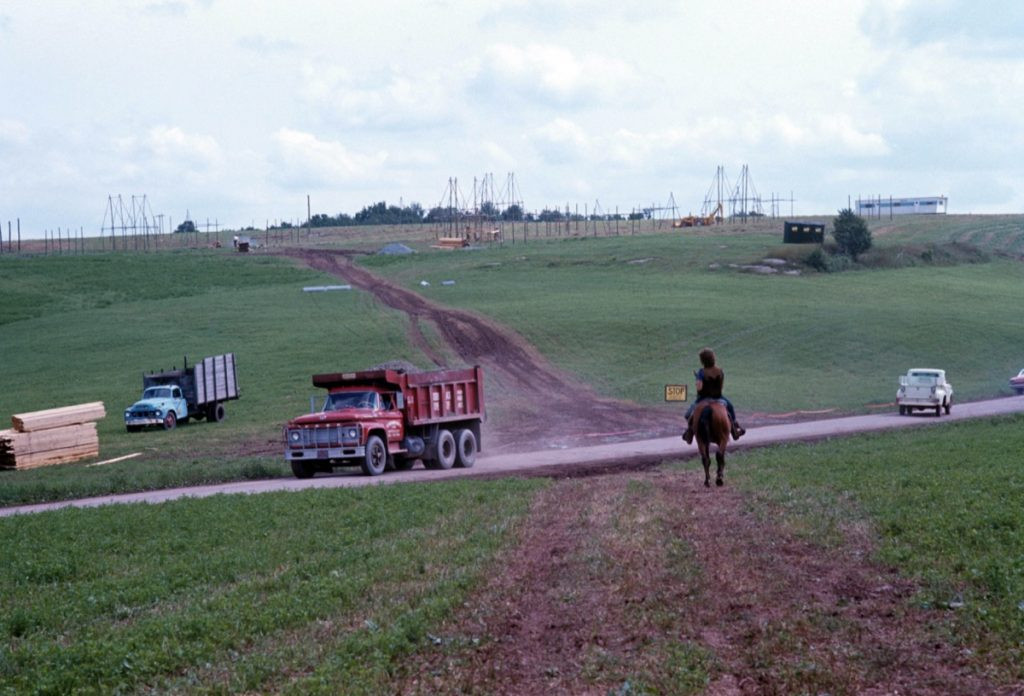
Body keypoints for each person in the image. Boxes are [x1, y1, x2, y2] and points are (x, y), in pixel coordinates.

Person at [682, 347, 745, 444]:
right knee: (730, 408)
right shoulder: (720, 371)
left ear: (702, 360)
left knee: (688, 414)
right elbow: (721, 386)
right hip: (718, 397)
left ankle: (689, 433)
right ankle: (734, 431)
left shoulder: (701, 372)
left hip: (703, 398)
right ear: (713, 358)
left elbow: (699, 388)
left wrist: (698, 381)